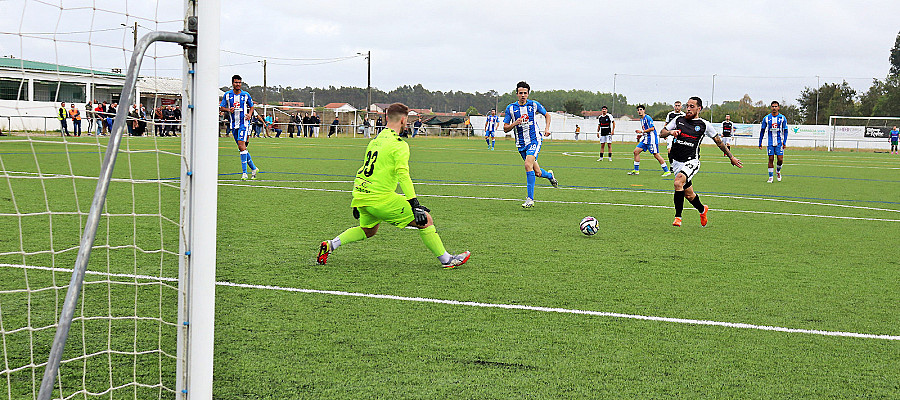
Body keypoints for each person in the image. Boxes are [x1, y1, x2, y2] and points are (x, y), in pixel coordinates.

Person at [316, 102, 470, 269]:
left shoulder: (375, 141)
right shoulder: (399, 144)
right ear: (403, 120)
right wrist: (415, 204)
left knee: (369, 230)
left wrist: (357, 199)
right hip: (380, 199)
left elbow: (363, 170)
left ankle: (331, 245)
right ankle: (447, 260)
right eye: (407, 120)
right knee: (426, 220)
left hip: (362, 194)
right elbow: (403, 175)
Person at [659, 97, 742, 227]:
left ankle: (678, 217)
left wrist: (731, 156)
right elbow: (662, 133)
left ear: (699, 108)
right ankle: (703, 210)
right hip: (676, 162)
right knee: (688, 194)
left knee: (678, 182)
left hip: (691, 161)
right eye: (687, 106)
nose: (688, 109)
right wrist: (670, 132)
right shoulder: (678, 120)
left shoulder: (704, 124)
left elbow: (718, 141)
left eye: (692, 106)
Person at [502, 81, 558, 208]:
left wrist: (547, 128)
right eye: (520, 93)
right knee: (537, 172)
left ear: (528, 94)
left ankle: (530, 199)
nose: (523, 95)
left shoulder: (533, 105)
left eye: (525, 93)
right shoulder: (511, 108)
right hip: (521, 143)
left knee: (528, 164)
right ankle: (550, 176)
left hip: (534, 140)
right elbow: (505, 128)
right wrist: (514, 123)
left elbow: (547, 115)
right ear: (517, 94)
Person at [219, 74, 259, 181]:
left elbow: (252, 106)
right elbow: (221, 108)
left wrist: (249, 114)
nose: (238, 84)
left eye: (239, 82)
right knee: (242, 148)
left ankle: (244, 173)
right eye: (236, 82)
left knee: (241, 146)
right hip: (233, 125)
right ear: (232, 83)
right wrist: (228, 110)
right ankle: (254, 168)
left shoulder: (245, 95)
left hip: (243, 124)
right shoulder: (227, 95)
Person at [629, 105, 670, 176]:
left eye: (641, 109)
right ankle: (636, 170)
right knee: (636, 151)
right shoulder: (641, 119)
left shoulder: (647, 118)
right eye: (638, 110)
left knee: (656, 155)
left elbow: (652, 128)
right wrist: (641, 134)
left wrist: (642, 132)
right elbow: (646, 130)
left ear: (644, 110)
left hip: (651, 139)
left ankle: (667, 171)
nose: (639, 111)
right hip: (645, 139)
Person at [758, 101, 788, 183]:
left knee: (780, 159)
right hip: (770, 142)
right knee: (770, 158)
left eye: (776, 106)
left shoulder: (782, 118)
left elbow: (785, 130)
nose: (774, 108)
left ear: (778, 107)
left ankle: (778, 171)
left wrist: (784, 142)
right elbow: (762, 130)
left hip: (779, 142)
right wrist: (760, 142)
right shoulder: (766, 118)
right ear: (771, 107)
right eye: (773, 106)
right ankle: (770, 177)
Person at [664, 101, 685, 165]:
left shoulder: (683, 115)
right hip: (671, 135)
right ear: (674, 106)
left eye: (678, 105)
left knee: (679, 151)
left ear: (681, 107)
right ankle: (671, 165)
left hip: (680, 136)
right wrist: (665, 133)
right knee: (669, 150)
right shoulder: (670, 114)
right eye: (676, 105)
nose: (677, 107)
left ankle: (679, 165)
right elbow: (666, 124)